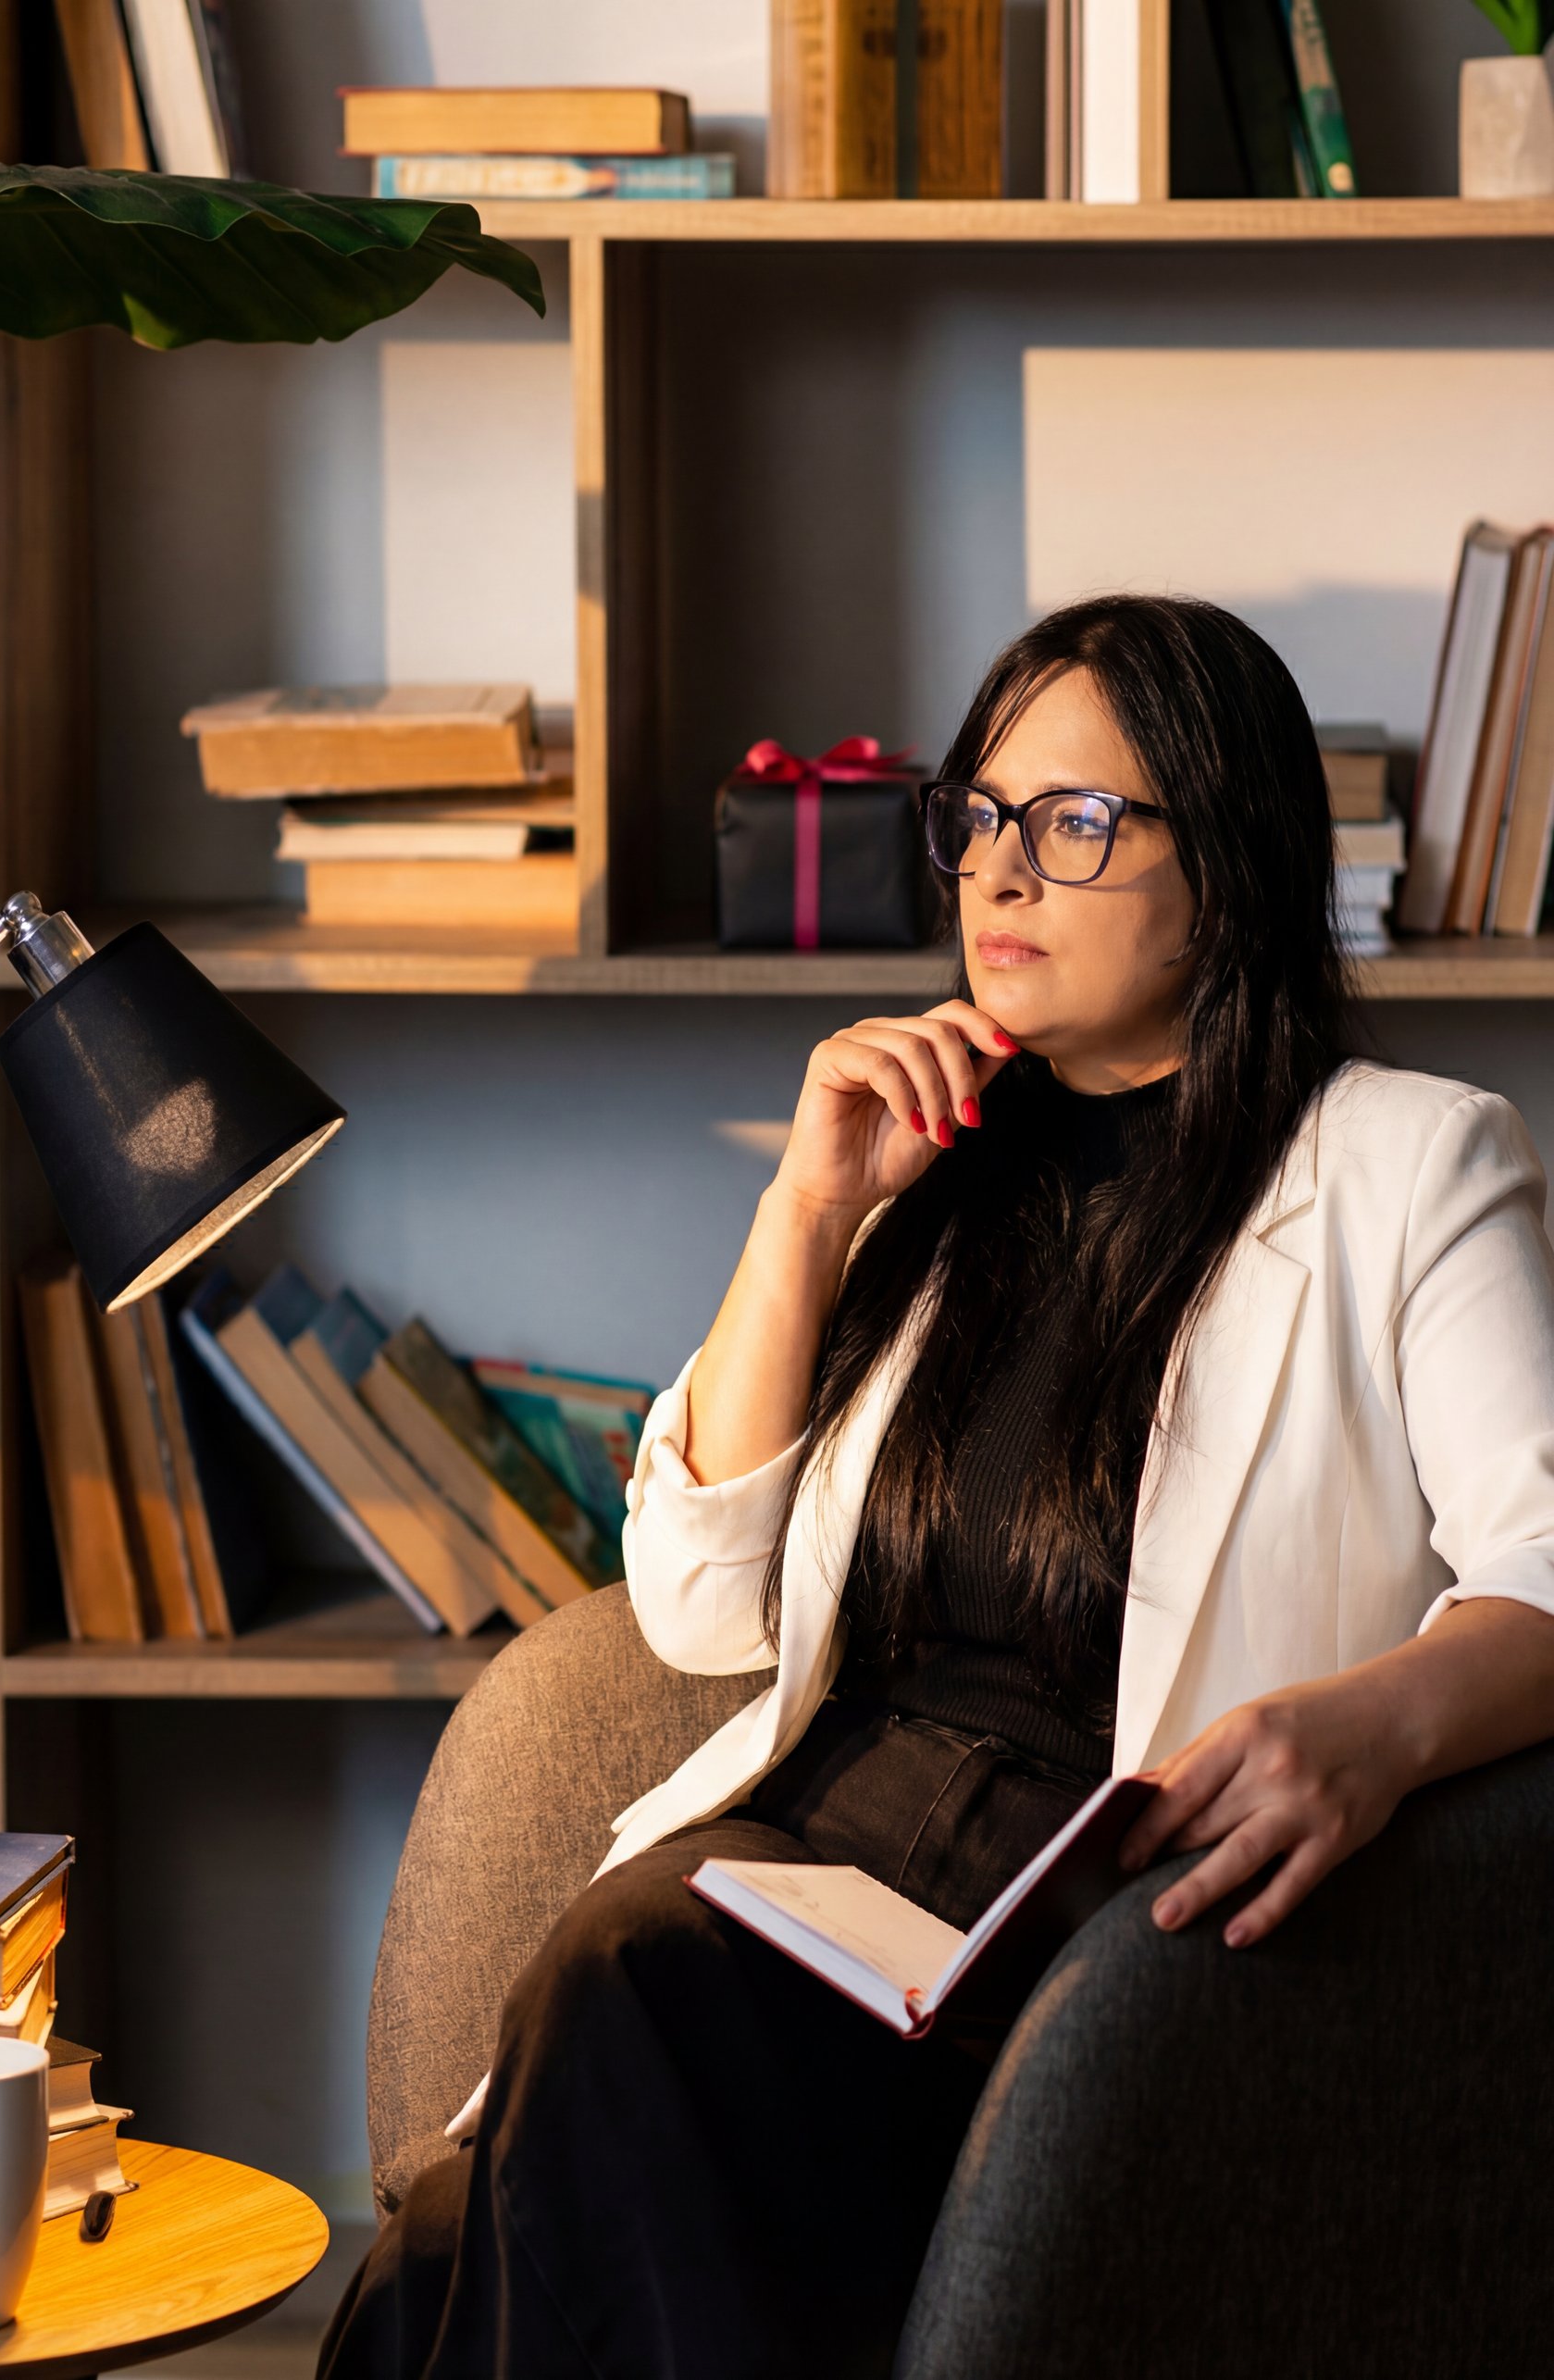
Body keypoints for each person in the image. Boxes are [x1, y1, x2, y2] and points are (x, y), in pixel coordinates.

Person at [321, 594, 1554, 2380]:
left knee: (608, 2005)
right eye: (977, 819)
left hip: (1063, 1972)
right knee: (464, 2217)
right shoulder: (934, 1161)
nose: (1000, 879)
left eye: (1074, 827)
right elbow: (694, 1596)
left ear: (1232, 861)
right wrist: (808, 1211)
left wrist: (1374, 1731)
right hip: (798, 1891)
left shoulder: (1404, 1167)